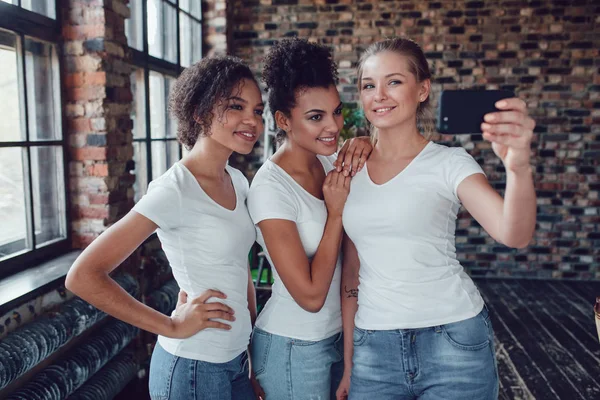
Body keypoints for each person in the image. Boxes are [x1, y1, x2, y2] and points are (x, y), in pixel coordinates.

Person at [336, 37, 536, 400]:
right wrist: (350, 363)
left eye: (394, 81)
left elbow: (514, 233)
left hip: (453, 342)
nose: (379, 94)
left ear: (423, 89)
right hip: (373, 349)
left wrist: (518, 166)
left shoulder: (450, 162)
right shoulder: (348, 166)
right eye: (369, 85)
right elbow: (352, 274)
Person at [66, 56, 266, 400]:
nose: (252, 120)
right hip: (192, 368)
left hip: (234, 359)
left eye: (258, 110)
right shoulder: (174, 189)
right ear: (200, 113)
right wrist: (171, 325)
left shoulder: (237, 180)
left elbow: (238, 265)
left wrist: (250, 345)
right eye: (237, 106)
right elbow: (83, 275)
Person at [246, 38, 372, 400]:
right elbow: (312, 297)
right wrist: (334, 214)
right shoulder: (270, 189)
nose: (333, 126)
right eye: (315, 117)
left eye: (336, 111)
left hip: (341, 337)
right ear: (283, 120)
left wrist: (371, 142)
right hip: (293, 348)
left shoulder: (331, 163)